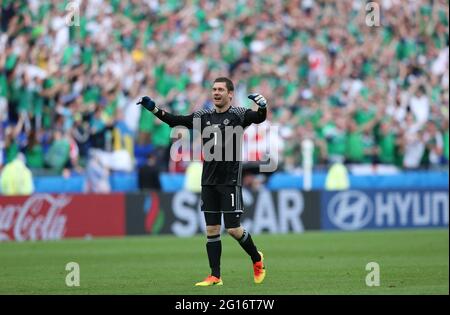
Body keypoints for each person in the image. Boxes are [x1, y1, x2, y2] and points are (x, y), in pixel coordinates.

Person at [137, 77, 267, 286]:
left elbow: (258, 118)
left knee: (233, 230)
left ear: (230, 94)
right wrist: (154, 110)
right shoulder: (203, 116)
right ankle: (215, 276)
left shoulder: (239, 114)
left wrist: (262, 107)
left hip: (230, 180)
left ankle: (256, 258)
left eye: (220, 90)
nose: (216, 92)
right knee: (212, 230)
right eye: (214, 89)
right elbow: (175, 121)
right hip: (208, 180)